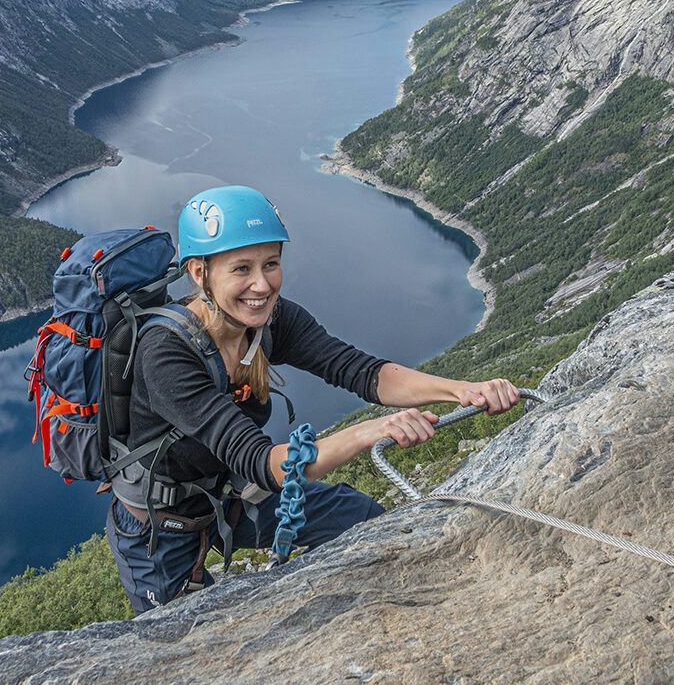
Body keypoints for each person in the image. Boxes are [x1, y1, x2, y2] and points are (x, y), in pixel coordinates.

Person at [106, 185, 519, 612]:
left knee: (361, 520)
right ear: (199, 273)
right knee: (182, 646)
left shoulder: (269, 321)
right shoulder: (166, 352)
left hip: (228, 495)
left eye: (271, 264)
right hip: (160, 527)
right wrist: (370, 431)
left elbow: (363, 372)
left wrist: (460, 391)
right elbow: (263, 464)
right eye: (241, 269)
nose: (262, 285)